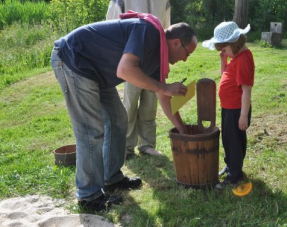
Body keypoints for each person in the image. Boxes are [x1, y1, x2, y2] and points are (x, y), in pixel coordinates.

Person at [51, 13, 197, 211]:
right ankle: (88, 195)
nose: (185, 60)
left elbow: (163, 96)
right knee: (91, 131)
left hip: (97, 72)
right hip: (74, 60)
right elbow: (125, 70)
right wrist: (164, 87)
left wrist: (182, 130)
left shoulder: (158, 55)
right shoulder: (148, 32)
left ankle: (111, 177)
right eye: (187, 54)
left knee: (119, 119)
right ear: (177, 43)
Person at [106, 0, 171, 158]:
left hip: (155, 59)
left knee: (150, 103)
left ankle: (147, 144)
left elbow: (166, 26)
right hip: (131, 58)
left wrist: (165, 55)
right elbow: (112, 24)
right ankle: (126, 147)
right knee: (130, 103)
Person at [202, 21, 254, 189]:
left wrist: (243, 115)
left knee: (234, 142)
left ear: (233, 43)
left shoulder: (244, 61)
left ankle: (235, 176)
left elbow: (246, 91)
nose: (223, 53)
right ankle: (232, 166)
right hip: (229, 108)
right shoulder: (237, 57)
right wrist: (223, 60)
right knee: (229, 140)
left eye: (224, 50)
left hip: (237, 110)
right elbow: (225, 74)